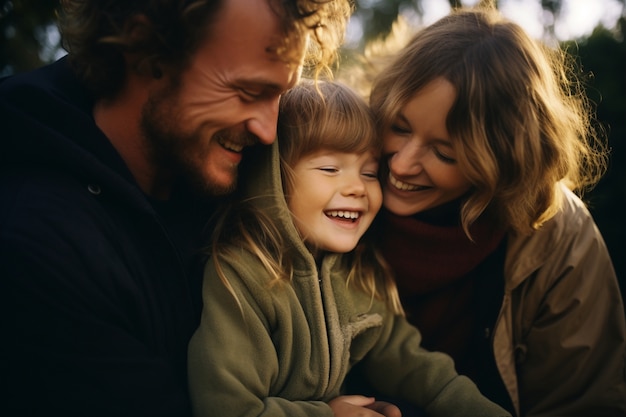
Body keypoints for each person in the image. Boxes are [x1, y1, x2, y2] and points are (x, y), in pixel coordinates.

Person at [0, 0, 352, 415]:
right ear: (147, 49)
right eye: (247, 92)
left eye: (279, 95)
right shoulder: (36, 245)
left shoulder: (243, 175)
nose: (268, 130)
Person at [346, 6, 626, 417]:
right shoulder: (327, 182)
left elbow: (584, 401)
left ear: (499, 162)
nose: (402, 164)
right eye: (399, 127)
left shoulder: (559, 237)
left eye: (444, 152)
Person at [187, 80, 511, 417]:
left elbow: (415, 368)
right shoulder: (243, 275)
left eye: (370, 173)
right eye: (330, 169)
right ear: (273, 178)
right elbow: (227, 408)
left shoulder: (358, 275)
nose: (357, 187)